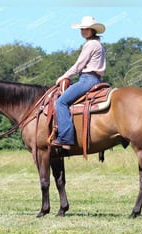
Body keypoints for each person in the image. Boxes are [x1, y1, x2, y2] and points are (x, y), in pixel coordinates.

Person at [50, 16, 106, 150]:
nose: (83, 31)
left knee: (60, 102)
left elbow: (79, 65)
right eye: (82, 29)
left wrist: (64, 76)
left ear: (93, 30)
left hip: (88, 79)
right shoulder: (97, 43)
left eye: (86, 29)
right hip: (93, 79)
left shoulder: (91, 44)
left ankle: (66, 138)